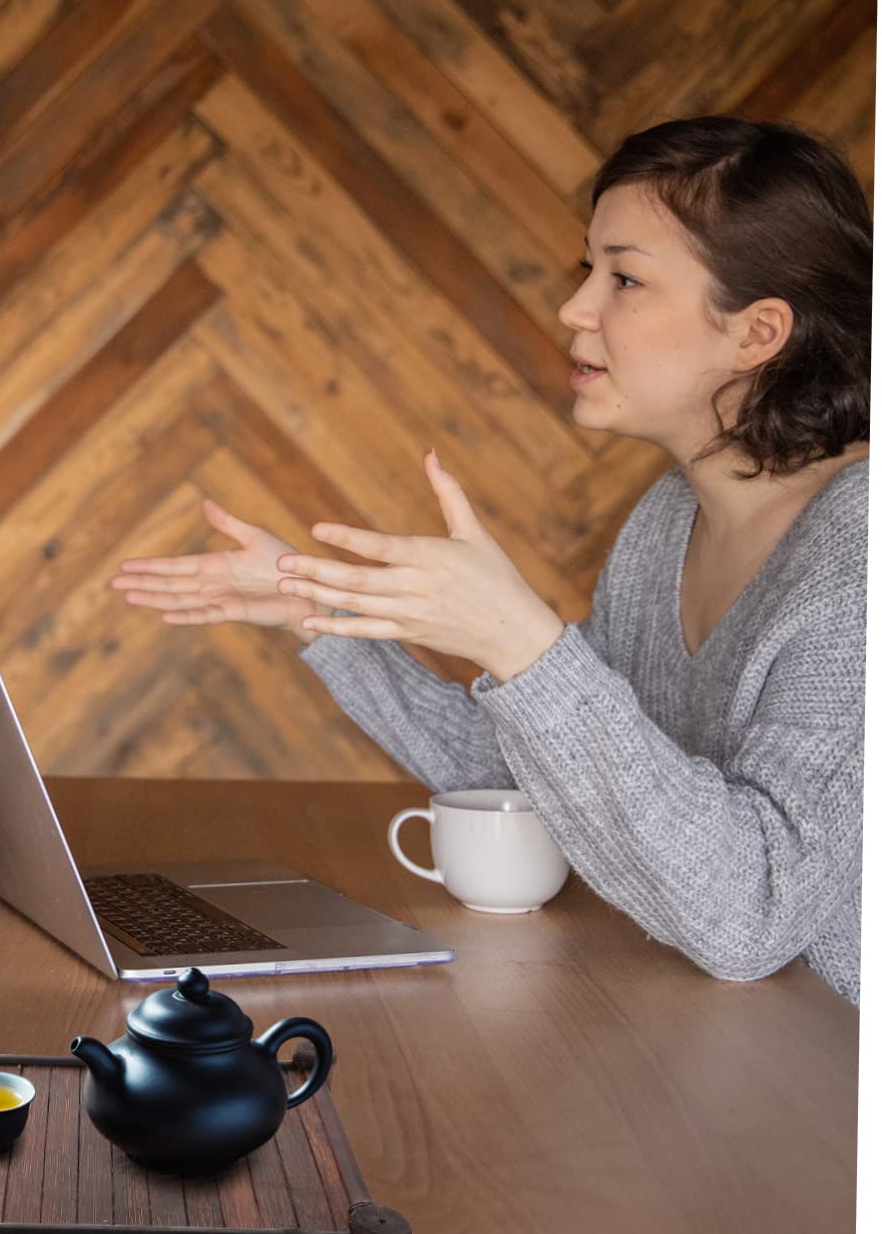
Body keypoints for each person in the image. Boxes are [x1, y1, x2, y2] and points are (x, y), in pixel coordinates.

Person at [114, 116, 866, 1004]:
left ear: (755, 333)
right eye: (586, 268)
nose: (573, 308)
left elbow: (752, 918)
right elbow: (540, 776)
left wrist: (522, 643)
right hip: (721, 1032)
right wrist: (321, 616)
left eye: (623, 278)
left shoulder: (858, 562)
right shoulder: (667, 521)